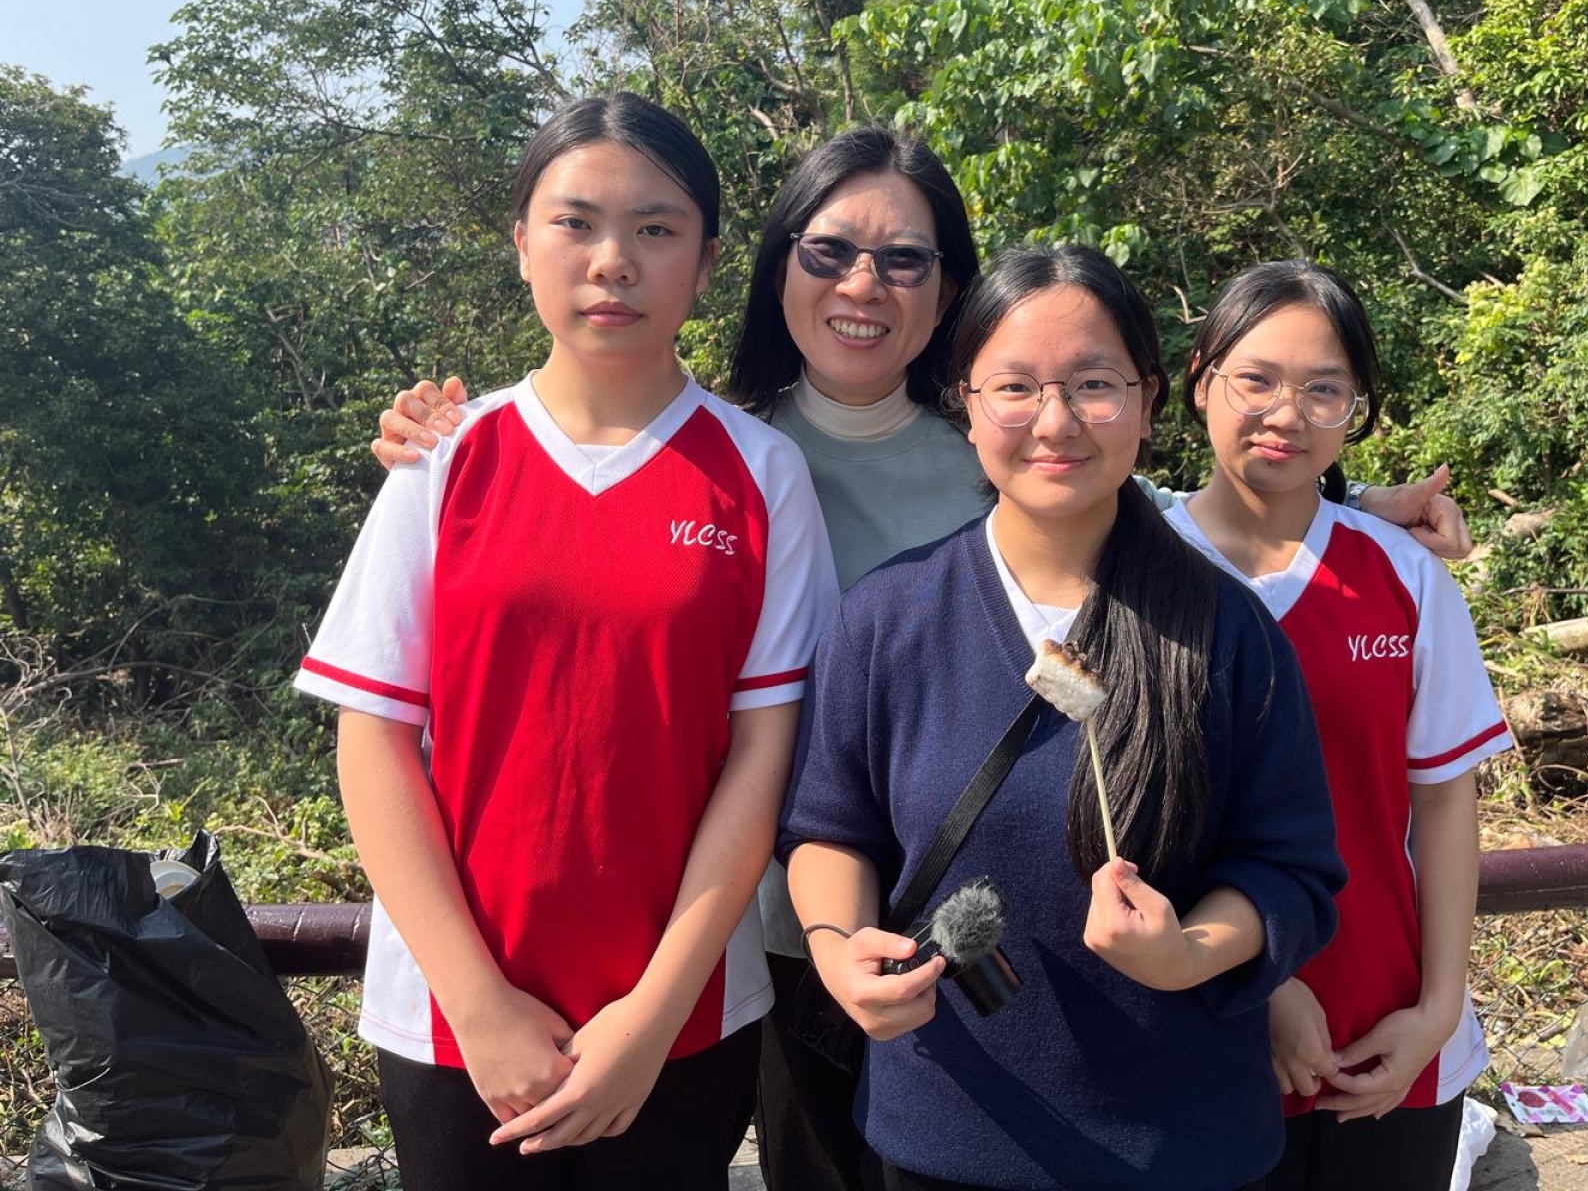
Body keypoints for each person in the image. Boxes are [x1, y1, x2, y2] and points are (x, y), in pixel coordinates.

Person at [368, 133, 1475, 1189]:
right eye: (829, 251)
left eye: (904, 258)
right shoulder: (722, 453)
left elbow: (1143, 514)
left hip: (1076, 1027)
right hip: (778, 948)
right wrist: (453, 440)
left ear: (949, 298)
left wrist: (1349, 508)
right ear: (775, 263)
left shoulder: (1017, 461)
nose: (863, 284)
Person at [294, 94, 839, 1189]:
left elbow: (763, 756)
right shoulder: (447, 459)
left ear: (705, 261)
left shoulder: (760, 473)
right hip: (453, 1021)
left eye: (655, 229)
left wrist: (652, 1013)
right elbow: (374, 739)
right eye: (575, 223)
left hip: (683, 1017)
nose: (613, 262)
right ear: (522, 245)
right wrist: (480, 1004)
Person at [782, 244, 1348, 1191]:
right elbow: (828, 829)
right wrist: (839, 952)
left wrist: (1187, 953)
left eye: (1093, 385)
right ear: (965, 405)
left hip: (1183, 1145)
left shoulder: (1226, 629)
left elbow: (1290, 871)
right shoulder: (887, 617)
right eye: (1015, 387)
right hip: (945, 1130)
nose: (1055, 422)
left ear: (1148, 400)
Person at [1166, 261, 1514, 1191]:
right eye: (1256, 379)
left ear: (1356, 410)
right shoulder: (1135, 570)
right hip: (1191, 1032)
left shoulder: (1403, 575)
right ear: (1200, 381)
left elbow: (1445, 805)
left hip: (1386, 1038)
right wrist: (1262, 985)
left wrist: (1438, 1011)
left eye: (1324, 390)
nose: (1286, 414)